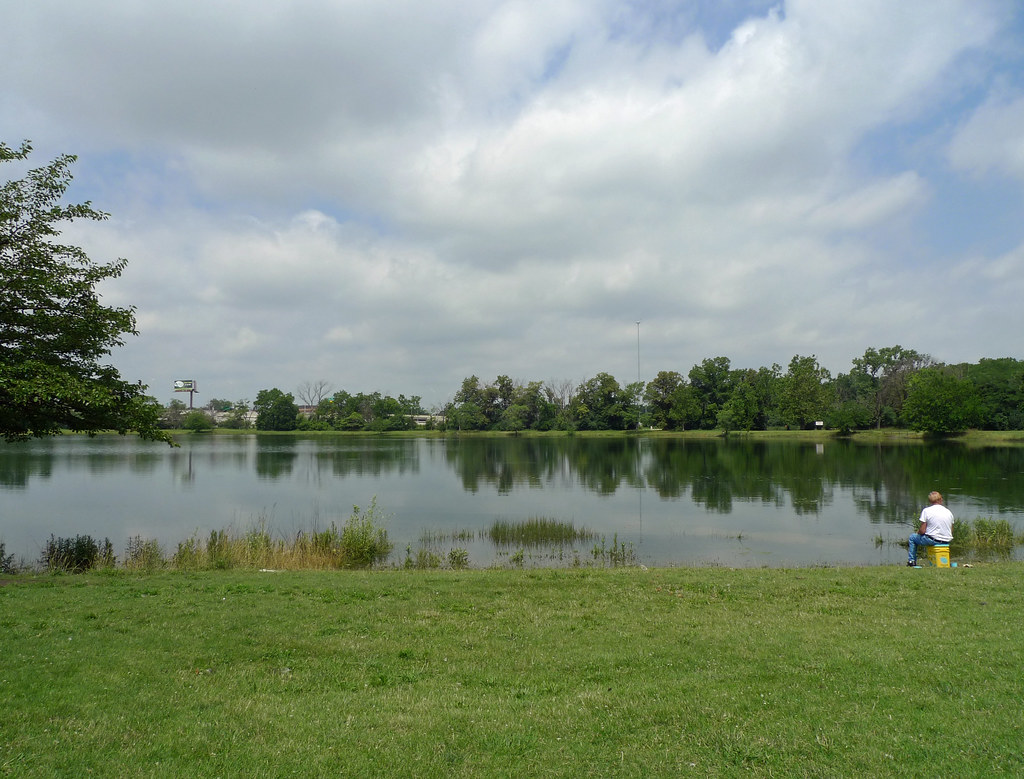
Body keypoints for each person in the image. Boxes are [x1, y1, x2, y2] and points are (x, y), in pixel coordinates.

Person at [907, 491, 954, 567]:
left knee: (912, 538)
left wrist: (917, 532)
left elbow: (922, 531)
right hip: (947, 540)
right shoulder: (948, 512)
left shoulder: (926, 511)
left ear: (930, 501)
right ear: (940, 500)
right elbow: (951, 530)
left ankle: (911, 561)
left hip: (933, 540)